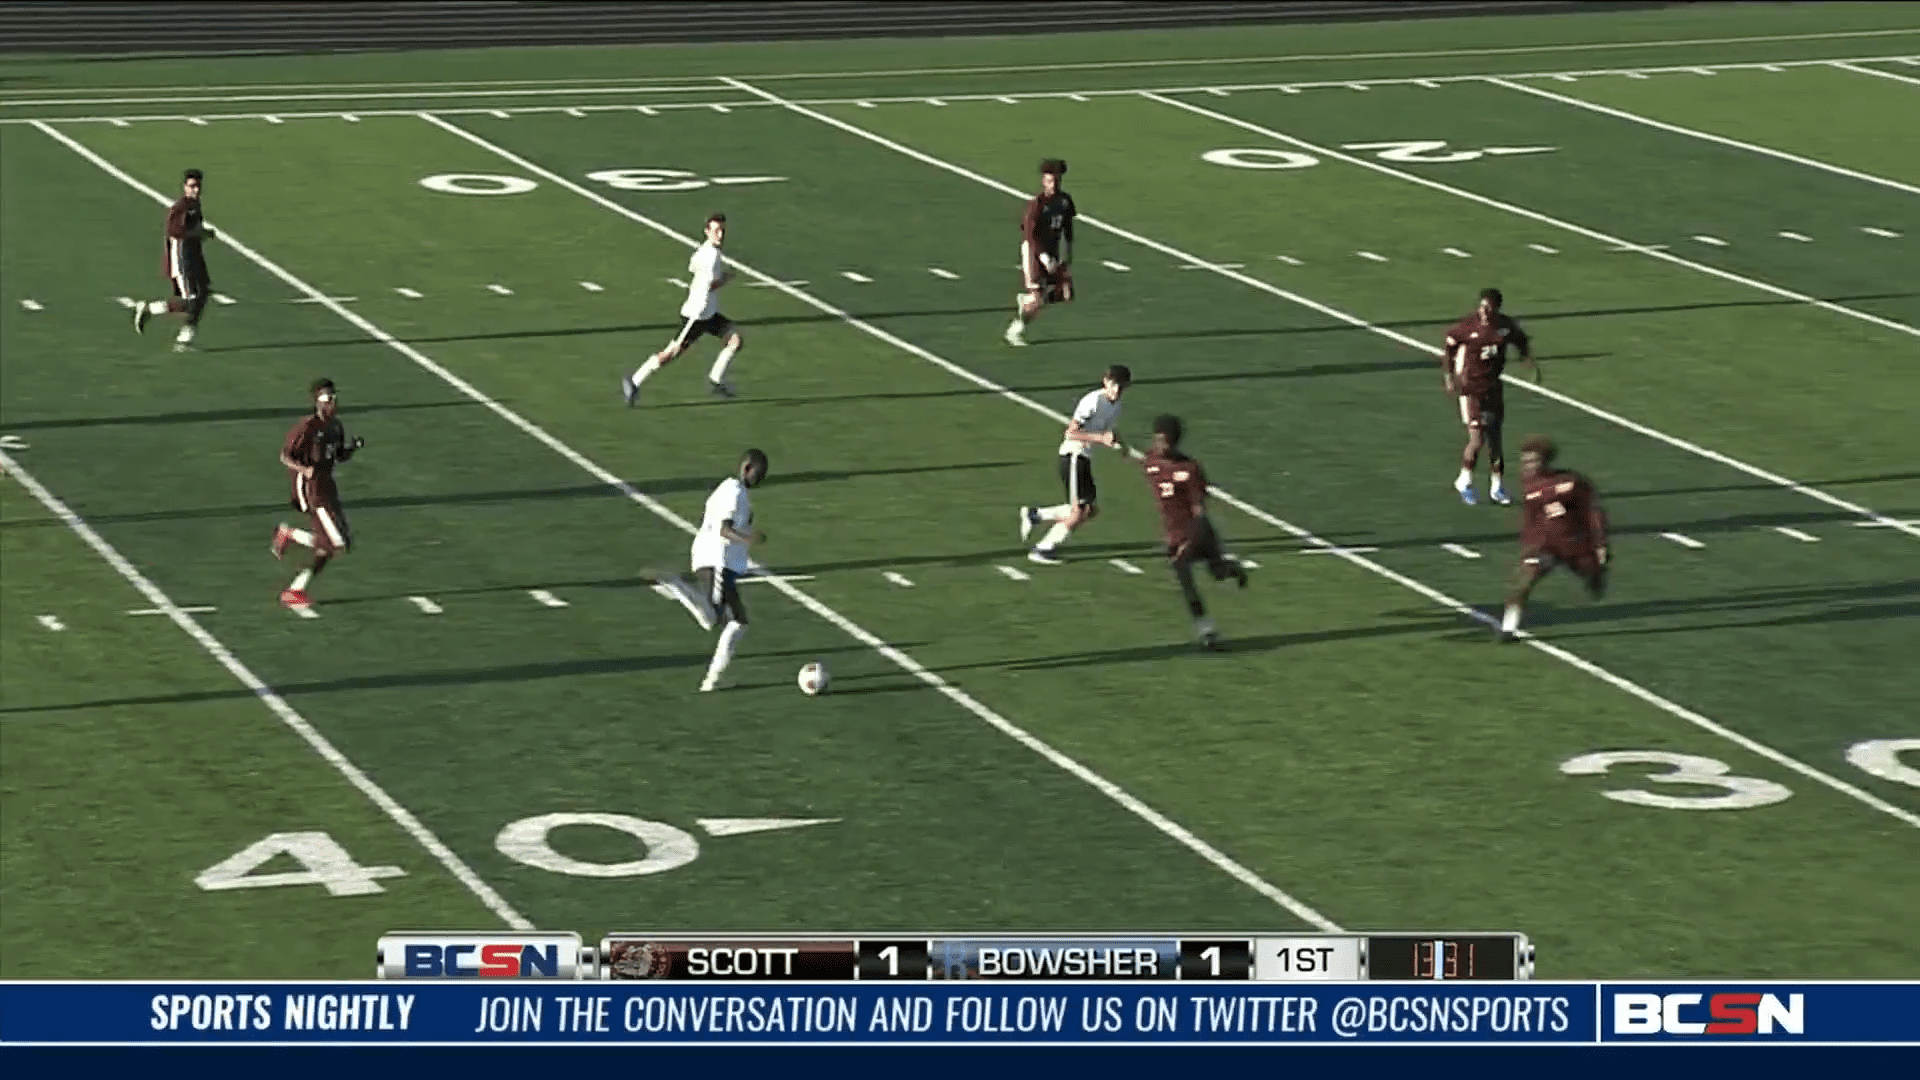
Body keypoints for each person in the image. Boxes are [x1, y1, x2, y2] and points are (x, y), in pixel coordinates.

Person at [653, 449, 769, 691]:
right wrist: (749, 539)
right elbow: (724, 530)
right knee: (735, 622)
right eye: (759, 473)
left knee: (716, 619)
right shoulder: (735, 492)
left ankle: (676, 585)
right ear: (746, 468)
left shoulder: (727, 489)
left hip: (710, 559)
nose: (761, 478)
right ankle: (713, 679)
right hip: (719, 561)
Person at [1140, 414, 1248, 649]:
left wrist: (1190, 540)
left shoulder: (1190, 469)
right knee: (1184, 578)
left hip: (1198, 532)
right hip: (1174, 534)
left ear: (1174, 442)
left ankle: (1232, 568)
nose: (1159, 445)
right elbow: (1138, 461)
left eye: (1164, 441)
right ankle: (1207, 630)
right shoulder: (1150, 460)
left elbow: (1199, 510)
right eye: (1157, 439)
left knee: (1217, 573)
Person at [624, 212, 743, 405]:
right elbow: (711, 285)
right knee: (671, 353)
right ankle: (635, 381)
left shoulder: (705, 251)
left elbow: (692, 266)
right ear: (707, 231)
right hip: (696, 316)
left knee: (735, 340)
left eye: (722, 230)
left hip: (709, 314)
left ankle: (716, 380)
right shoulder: (711, 256)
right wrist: (728, 278)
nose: (720, 235)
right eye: (716, 230)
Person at [1500, 435, 1609, 642]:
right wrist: (1528, 546)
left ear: (1545, 461)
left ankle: (1595, 577)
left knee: (1591, 573)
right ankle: (1508, 628)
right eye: (1525, 461)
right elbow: (1530, 519)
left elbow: (1593, 511)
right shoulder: (1528, 485)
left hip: (1574, 544)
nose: (1527, 466)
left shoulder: (1572, 482)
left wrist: (1599, 542)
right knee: (1521, 583)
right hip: (1544, 546)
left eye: (1532, 461)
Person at [1020, 364, 1129, 564]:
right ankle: (1043, 548)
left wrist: (1123, 446)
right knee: (1078, 512)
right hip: (1073, 455)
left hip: (1084, 457)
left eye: (1121, 387)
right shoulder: (1092, 401)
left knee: (1090, 510)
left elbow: (1109, 431)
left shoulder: (1116, 406)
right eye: (1114, 385)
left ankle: (1035, 515)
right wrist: (1100, 438)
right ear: (1106, 382)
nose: (1117, 390)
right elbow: (1071, 432)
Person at [272, 379, 363, 610]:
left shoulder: (335, 426)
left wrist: (352, 447)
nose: (333, 402)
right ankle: (289, 539)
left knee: (335, 545)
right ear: (318, 402)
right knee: (336, 543)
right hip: (313, 490)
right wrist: (305, 469)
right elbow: (285, 456)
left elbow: (340, 456)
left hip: (329, 486)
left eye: (334, 397)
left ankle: (295, 589)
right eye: (328, 398)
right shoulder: (307, 427)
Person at [1442, 287, 1538, 505]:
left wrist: (1530, 363)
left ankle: (1497, 487)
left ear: (1496, 308)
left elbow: (1521, 341)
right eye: (1482, 306)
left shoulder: (1505, 326)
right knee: (1477, 439)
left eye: (1489, 307)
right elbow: (1449, 346)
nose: (1484, 311)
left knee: (1495, 440)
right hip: (1471, 390)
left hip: (1493, 388)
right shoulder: (1468, 326)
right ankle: (1464, 481)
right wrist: (1449, 377)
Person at [133, 168, 216, 352]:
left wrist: (203, 233)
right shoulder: (182, 207)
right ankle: (150, 310)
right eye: (192, 186)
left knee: (202, 294)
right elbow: (174, 231)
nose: (196, 190)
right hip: (182, 258)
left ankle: (186, 337)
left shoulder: (195, 205)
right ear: (185, 187)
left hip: (195, 256)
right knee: (189, 300)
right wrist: (198, 233)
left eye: (198, 186)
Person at [1005, 158, 1076, 347]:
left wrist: (1067, 257)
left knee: (1061, 295)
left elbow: (1068, 230)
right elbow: (1029, 235)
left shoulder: (1065, 201)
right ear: (1044, 181)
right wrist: (1043, 257)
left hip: (1053, 250)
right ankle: (1015, 330)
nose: (1054, 185)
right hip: (1034, 251)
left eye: (1057, 181)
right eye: (1051, 181)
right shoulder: (1036, 204)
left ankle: (1027, 302)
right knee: (1037, 298)